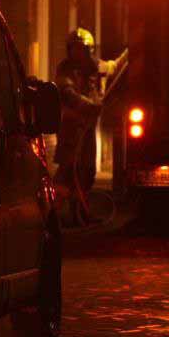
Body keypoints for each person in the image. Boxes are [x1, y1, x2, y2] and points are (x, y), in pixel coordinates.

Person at [53, 28, 122, 226]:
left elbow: (114, 66)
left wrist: (130, 52)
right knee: (68, 171)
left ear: (89, 50)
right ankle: (52, 213)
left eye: (81, 49)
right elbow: (67, 93)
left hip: (88, 129)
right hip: (71, 129)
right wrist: (89, 105)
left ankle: (80, 212)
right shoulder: (65, 70)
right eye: (74, 48)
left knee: (87, 171)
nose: (77, 53)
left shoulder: (96, 67)